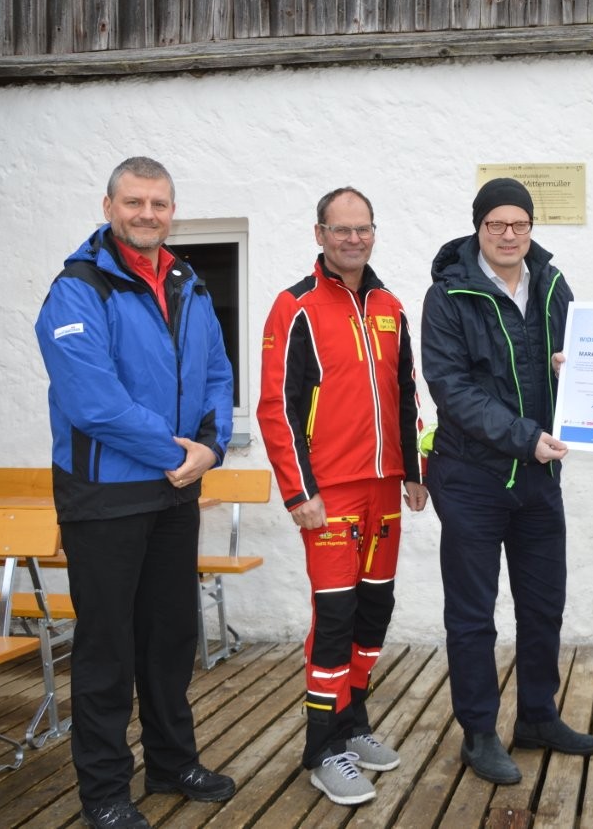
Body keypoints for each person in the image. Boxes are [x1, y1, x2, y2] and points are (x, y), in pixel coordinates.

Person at [35, 157, 235, 829]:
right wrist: (178, 453)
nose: (147, 213)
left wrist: (211, 443)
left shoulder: (189, 284)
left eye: (159, 203)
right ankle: (104, 792)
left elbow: (216, 373)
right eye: (134, 201)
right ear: (109, 204)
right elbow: (94, 402)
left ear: (171, 210)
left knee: (170, 638)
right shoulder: (77, 289)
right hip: (106, 496)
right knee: (107, 650)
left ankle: (173, 761)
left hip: (173, 493)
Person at [421, 178, 593, 786]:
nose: (508, 234)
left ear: (530, 227)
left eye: (518, 223)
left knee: (543, 602)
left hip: (539, 476)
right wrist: (526, 437)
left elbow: (585, 354)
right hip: (472, 476)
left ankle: (538, 717)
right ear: (478, 227)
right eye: (496, 223)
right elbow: (454, 391)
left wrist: (575, 371)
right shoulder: (448, 295)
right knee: (473, 614)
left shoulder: (551, 284)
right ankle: (478, 732)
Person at [257, 187, 427, 806]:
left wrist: (413, 471)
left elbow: (406, 393)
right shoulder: (294, 307)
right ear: (320, 234)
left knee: (373, 613)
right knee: (333, 621)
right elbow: (276, 408)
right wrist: (298, 491)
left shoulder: (390, 305)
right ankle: (321, 748)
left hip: (384, 491)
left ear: (374, 233)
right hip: (327, 494)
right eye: (341, 229)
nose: (353, 239)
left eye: (363, 229)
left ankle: (352, 725)